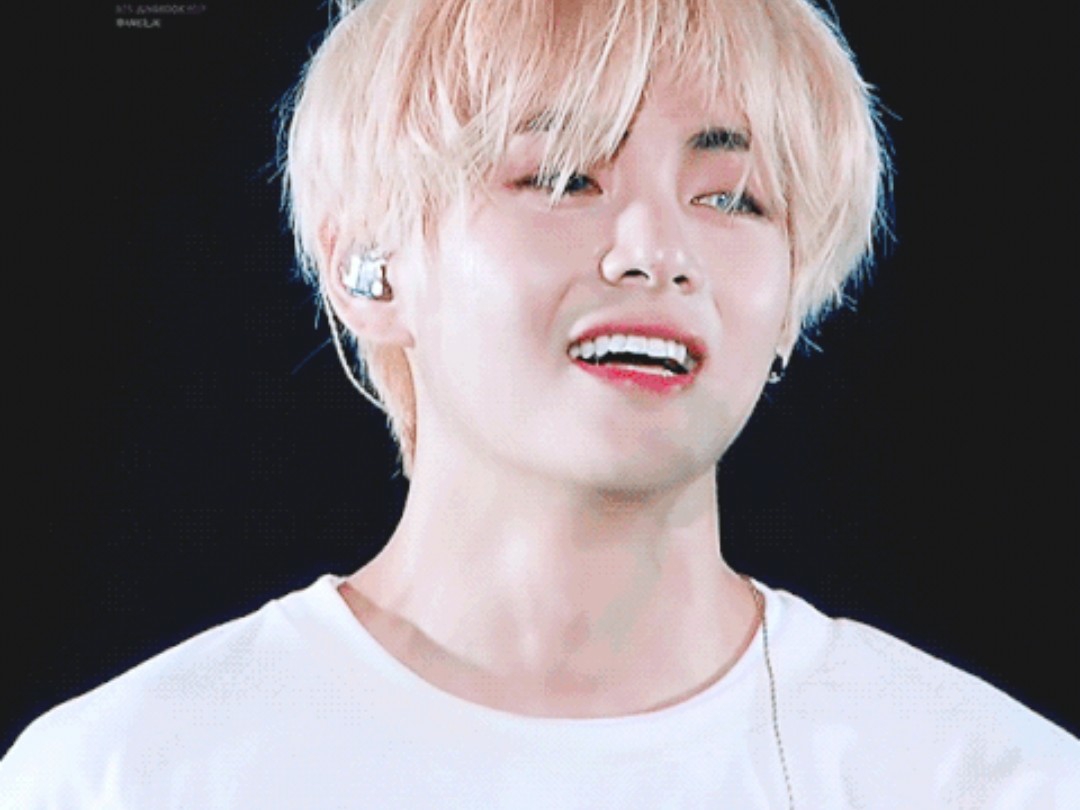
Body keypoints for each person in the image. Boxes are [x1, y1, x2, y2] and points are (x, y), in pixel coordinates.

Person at [3, 0, 1077, 806]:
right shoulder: (123, 776)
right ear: (370, 266)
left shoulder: (985, 778)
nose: (658, 250)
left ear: (793, 300)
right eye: (563, 178)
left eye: (733, 198)